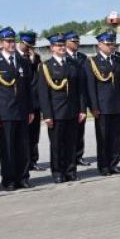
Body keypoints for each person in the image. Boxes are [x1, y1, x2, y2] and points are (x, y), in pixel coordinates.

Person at [0, 27, 34, 191]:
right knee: (7, 148)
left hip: (22, 112)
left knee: (23, 147)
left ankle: (23, 177)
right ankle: (9, 180)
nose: (12, 44)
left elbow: (28, 89)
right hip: (4, 112)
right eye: (8, 41)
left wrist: (30, 110)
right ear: (1, 43)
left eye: (13, 41)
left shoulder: (23, 62)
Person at [37, 33, 87, 183]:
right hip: (56, 112)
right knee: (57, 145)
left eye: (63, 45)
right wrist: (47, 114)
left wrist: (83, 109)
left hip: (72, 110)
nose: (62, 48)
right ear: (52, 48)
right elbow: (43, 93)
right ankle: (58, 172)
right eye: (58, 46)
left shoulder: (73, 64)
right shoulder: (46, 66)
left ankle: (71, 171)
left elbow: (80, 90)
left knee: (71, 143)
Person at [85, 31, 120, 175]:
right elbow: (90, 87)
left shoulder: (118, 61)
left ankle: (114, 164)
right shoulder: (92, 62)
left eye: (112, 44)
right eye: (108, 44)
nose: (111, 47)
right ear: (99, 45)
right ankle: (103, 166)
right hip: (102, 107)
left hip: (117, 106)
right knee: (103, 138)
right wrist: (94, 106)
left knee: (116, 137)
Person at [17, 31, 44, 173]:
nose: (29, 49)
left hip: (35, 101)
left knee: (34, 135)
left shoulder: (36, 58)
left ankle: (33, 161)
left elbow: (39, 78)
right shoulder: (15, 57)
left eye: (31, 46)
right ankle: (22, 162)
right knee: (22, 135)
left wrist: (34, 61)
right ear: (20, 42)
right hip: (20, 103)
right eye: (27, 46)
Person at [63, 31, 91, 168]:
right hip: (69, 98)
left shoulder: (83, 57)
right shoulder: (63, 57)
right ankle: (70, 158)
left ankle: (78, 156)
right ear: (67, 42)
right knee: (69, 132)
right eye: (73, 41)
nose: (76, 44)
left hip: (82, 96)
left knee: (80, 130)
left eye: (77, 41)